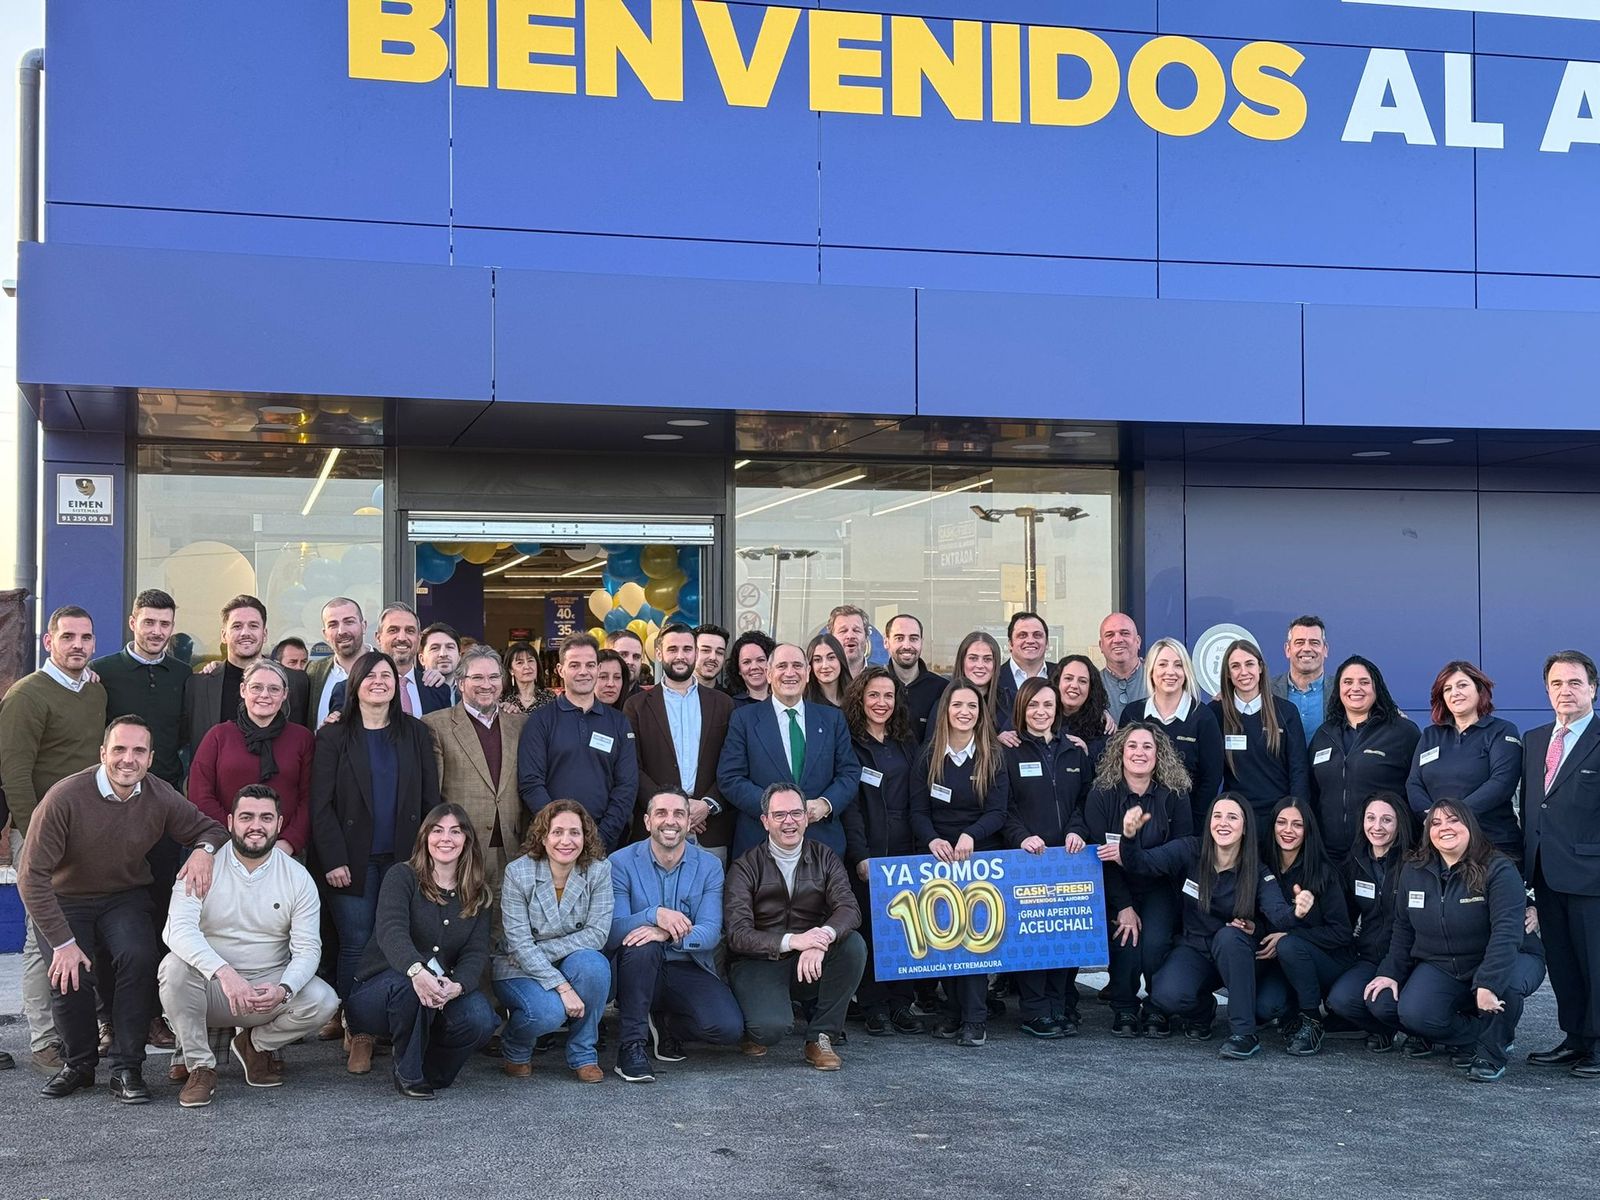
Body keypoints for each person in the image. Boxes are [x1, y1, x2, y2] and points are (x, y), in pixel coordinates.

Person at [19, 715, 226, 1102]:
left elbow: (211, 828)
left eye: (138, 751)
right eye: (119, 749)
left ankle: (127, 1067)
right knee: (69, 973)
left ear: (150, 758)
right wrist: (63, 943)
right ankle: (78, 1065)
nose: (127, 759)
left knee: (138, 956)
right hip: (67, 898)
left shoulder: (159, 793)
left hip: (123, 895)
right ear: (103, 754)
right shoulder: (65, 797)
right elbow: (31, 878)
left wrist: (204, 851)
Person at [157, 784, 339, 1107]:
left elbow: (308, 949)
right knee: (172, 968)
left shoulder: (298, 878)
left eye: (266, 817)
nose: (256, 825)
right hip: (212, 989)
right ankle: (201, 1066)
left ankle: (255, 1045)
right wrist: (224, 974)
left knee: (324, 1000)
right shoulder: (203, 867)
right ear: (229, 822)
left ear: (279, 825)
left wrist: (284, 989)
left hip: (265, 993)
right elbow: (177, 931)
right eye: (247, 817)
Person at [1103, 793, 1300, 1059]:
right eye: (1217, 816)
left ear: (1245, 828)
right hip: (1195, 948)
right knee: (1167, 995)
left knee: (1230, 938)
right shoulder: (1190, 850)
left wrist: (1298, 909)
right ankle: (1202, 1009)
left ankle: (1244, 1034)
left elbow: (1279, 915)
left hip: (1237, 956)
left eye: (1232, 817)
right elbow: (1142, 864)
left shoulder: (1257, 869)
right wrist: (1128, 837)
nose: (1223, 823)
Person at [1365, 800, 1546, 1082]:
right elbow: (1403, 928)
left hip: (1510, 957)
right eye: (1436, 823)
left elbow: (1506, 935)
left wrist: (1488, 983)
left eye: (1453, 820)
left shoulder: (1498, 869)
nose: (1444, 828)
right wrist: (1391, 973)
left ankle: (1492, 1050)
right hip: (1445, 964)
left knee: (1505, 985)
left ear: (1470, 826)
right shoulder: (1415, 869)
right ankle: (1478, 1034)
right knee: (1408, 1011)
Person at [0, 604, 107, 1072]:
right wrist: (33, 832)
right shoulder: (27, 695)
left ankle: (79, 1031)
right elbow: (15, 774)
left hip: (90, 833)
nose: (77, 645)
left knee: (81, 930)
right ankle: (44, 1039)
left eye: (85, 637)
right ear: (49, 642)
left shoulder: (92, 691)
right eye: (68, 637)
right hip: (42, 836)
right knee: (40, 935)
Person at [311, 650, 442, 1015]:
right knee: (356, 941)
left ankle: (390, 1016)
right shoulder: (334, 736)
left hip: (405, 859)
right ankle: (356, 1026)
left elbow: (431, 798)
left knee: (398, 940)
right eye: (370, 676)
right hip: (351, 860)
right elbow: (320, 806)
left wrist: (429, 858)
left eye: (386, 675)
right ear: (355, 685)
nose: (379, 681)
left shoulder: (416, 732)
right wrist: (333, 859)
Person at [345, 803, 498, 1097]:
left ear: (466, 840)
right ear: (425, 836)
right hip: (380, 990)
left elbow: (476, 952)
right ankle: (408, 1073)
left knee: (481, 1018)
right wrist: (417, 971)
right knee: (412, 987)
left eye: (456, 831)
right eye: (437, 830)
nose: (446, 839)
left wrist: (458, 986)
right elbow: (392, 932)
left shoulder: (478, 893)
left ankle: (432, 1070)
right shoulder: (402, 877)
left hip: (441, 989)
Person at [724, 783, 866, 1070]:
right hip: (759, 962)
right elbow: (737, 934)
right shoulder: (745, 866)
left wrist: (821, 937)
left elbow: (849, 909)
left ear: (806, 817)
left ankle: (820, 1037)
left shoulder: (825, 857)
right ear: (765, 821)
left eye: (796, 813)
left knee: (853, 945)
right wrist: (794, 941)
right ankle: (752, 1023)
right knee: (770, 1030)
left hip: (808, 961)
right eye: (779, 815)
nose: (789, 821)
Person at [607, 788, 744, 1082]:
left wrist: (665, 933)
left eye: (679, 814)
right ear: (647, 821)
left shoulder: (709, 866)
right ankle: (631, 1046)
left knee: (728, 1028)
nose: (670, 821)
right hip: (636, 968)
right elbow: (613, 930)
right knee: (641, 945)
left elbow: (709, 933)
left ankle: (665, 1023)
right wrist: (653, 914)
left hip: (686, 964)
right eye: (661, 813)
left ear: (689, 822)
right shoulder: (619, 862)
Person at [910, 682, 1010, 1046]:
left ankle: (975, 1019)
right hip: (938, 856)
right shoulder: (928, 756)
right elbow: (918, 811)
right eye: (957, 705)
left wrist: (971, 835)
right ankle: (953, 1012)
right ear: (945, 711)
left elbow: (999, 811)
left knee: (973, 940)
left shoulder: (993, 756)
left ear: (981, 713)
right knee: (944, 937)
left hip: (980, 856)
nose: (965, 711)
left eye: (972, 705)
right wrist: (932, 839)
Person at [1079, 723, 1192, 1037]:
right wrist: (1124, 905)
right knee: (1126, 941)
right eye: (1132, 746)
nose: (1139, 753)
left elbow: (1183, 846)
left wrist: (1139, 856)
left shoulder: (1175, 793)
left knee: (1155, 944)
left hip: (1161, 884)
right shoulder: (1102, 794)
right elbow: (1101, 857)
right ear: (1120, 752)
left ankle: (1157, 1009)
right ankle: (1125, 1008)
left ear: (1159, 755)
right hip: (1116, 884)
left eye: (1147, 747)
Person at [494, 800, 613, 1082]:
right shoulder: (518, 872)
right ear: (543, 836)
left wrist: (544, 950)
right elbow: (519, 945)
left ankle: (583, 1053)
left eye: (575, 832)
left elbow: (597, 934)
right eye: (557, 832)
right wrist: (562, 986)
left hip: (565, 958)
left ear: (586, 837)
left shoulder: (598, 870)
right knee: (548, 1013)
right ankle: (516, 1045)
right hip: (517, 966)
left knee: (595, 966)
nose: (566, 841)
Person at [1521, 649, 1600, 1078]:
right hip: (1547, 873)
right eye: (1556, 683)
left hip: (1592, 876)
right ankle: (1576, 1038)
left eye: (1574, 683)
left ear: (1592, 688)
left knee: (1596, 963)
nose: (1565, 691)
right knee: (1565, 965)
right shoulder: (1535, 740)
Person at [1002, 678, 1091, 1037]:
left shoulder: (1074, 751)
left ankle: (1058, 1004)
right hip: (1028, 860)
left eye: (1048, 706)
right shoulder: (1009, 751)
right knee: (1034, 938)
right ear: (1022, 709)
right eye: (1033, 705)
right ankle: (1036, 1010)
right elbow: (1002, 807)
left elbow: (1088, 800)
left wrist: (1078, 830)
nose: (1041, 712)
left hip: (1067, 858)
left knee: (1063, 934)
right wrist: (1022, 837)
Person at [717, 642, 861, 860]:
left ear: (808, 673)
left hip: (822, 844)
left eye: (797, 666)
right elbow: (730, 777)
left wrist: (825, 804)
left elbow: (849, 772)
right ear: (768, 673)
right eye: (782, 666)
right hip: (760, 846)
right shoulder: (744, 719)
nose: (790, 673)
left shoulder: (832, 719)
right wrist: (775, 810)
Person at [840, 668, 920, 1036]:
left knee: (906, 926)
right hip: (868, 851)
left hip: (906, 848)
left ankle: (902, 1003)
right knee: (871, 928)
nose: (881, 703)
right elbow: (850, 806)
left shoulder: (906, 740)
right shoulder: (850, 743)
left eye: (888, 696)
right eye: (873, 695)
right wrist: (860, 855)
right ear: (860, 698)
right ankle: (873, 1006)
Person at [518, 633, 639, 852]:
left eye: (590, 665)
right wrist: (560, 833)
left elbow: (626, 786)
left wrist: (599, 838)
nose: (583, 672)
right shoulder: (540, 721)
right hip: (553, 846)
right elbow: (531, 783)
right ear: (560, 670)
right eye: (574, 665)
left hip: (606, 845)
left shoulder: (619, 723)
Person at [624, 624, 735, 858]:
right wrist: (672, 811)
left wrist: (707, 805)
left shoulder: (723, 704)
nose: (680, 656)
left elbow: (732, 763)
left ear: (695, 653)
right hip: (655, 828)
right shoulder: (636, 706)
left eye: (687, 649)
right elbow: (633, 767)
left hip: (710, 828)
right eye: (672, 649)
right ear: (659, 653)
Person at [1253, 797, 1353, 1056]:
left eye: (1297, 825)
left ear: (1308, 830)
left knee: (1289, 945)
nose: (1288, 830)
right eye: (1282, 822)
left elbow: (1342, 932)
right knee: (1265, 1008)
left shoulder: (1322, 872)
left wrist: (1290, 935)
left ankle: (1312, 1020)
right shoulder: (1261, 866)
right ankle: (1291, 1012)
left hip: (1326, 961)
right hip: (1282, 962)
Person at [188, 659, 315, 858]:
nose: (264, 695)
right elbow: (200, 795)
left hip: (283, 853)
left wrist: (290, 842)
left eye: (274, 689)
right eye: (256, 687)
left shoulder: (302, 739)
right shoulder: (219, 736)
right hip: (226, 848)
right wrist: (234, 839)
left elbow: (310, 798)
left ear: (284, 695)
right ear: (243, 690)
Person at [423, 645, 527, 889]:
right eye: (477, 677)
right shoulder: (436, 725)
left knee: (506, 925)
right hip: (461, 849)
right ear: (460, 683)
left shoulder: (521, 724)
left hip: (512, 848)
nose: (486, 684)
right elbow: (432, 797)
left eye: (493, 677)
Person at [1406, 661, 1523, 860]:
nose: (1455, 693)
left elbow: (1501, 783)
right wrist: (1435, 819)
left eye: (1462, 685)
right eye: (1448, 689)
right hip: (1442, 845)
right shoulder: (1431, 735)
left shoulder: (1501, 731)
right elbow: (1414, 783)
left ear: (1479, 690)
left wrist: (1452, 817)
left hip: (1491, 845)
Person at [1308, 656, 1420, 864]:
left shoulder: (1402, 732)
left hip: (1384, 854)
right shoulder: (1324, 734)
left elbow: (1419, 786)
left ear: (1377, 687)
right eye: (1347, 682)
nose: (1355, 688)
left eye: (1364, 682)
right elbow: (1312, 791)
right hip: (1330, 855)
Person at [1326, 792, 1415, 1052]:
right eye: (1371, 818)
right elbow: (1344, 915)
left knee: (1388, 1004)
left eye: (1387, 820)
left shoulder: (1414, 864)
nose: (1377, 827)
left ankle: (1422, 1033)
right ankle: (1383, 1029)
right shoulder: (1354, 861)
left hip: (1410, 957)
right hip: (1370, 955)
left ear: (1400, 824)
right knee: (1340, 1000)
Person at [1211, 638, 1309, 843]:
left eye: (1249, 664)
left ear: (1261, 668)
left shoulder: (1286, 712)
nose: (1243, 672)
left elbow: (1299, 769)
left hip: (1278, 821)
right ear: (1228, 674)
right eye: (1235, 666)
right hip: (1237, 823)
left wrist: (1295, 815)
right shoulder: (1215, 713)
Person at [185, 595, 310, 752]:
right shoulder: (198, 685)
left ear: (264, 634)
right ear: (224, 635)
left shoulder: (297, 682)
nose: (245, 633)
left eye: (253, 626)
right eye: (237, 626)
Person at [90, 588, 188, 789]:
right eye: (149, 622)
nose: (157, 632)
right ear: (133, 623)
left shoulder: (183, 674)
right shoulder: (101, 671)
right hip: (115, 789)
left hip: (168, 791)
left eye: (164, 624)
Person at [1121, 637, 1223, 827]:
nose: (1170, 672)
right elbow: (1120, 769)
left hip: (1188, 825)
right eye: (1162, 664)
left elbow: (1211, 778)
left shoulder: (1203, 717)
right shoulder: (1133, 714)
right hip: (1139, 823)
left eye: (1178, 665)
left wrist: (1194, 823)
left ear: (1186, 672)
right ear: (1151, 671)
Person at [330, 603, 451, 717]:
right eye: (393, 630)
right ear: (378, 638)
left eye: (410, 631)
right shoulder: (347, 690)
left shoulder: (438, 690)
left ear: (419, 638)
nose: (402, 638)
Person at [307, 596, 369, 727]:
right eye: (333, 625)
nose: (342, 631)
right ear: (325, 634)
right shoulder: (313, 673)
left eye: (349, 622)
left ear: (364, 626)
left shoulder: (388, 668)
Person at [883, 614, 947, 741]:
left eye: (913, 638)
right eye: (899, 638)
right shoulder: (873, 687)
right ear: (886, 642)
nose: (906, 645)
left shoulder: (942, 689)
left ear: (921, 643)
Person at [1272, 616, 1329, 746]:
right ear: (1288, 649)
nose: (1307, 648)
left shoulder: (1342, 691)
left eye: (1314, 642)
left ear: (1325, 649)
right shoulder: (1266, 690)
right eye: (1300, 642)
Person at [1057, 653, 1115, 764]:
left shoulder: (1103, 731)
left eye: (1082, 681)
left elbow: (1107, 776)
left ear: (1091, 689)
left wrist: (1086, 756)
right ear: (1057, 682)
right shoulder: (1043, 721)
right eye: (1068, 678)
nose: (1074, 685)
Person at [996, 611, 1051, 720]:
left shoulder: (1062, 676)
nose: (1030, 640)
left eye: (1037, 635)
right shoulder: (994, 679)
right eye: (1022, 635)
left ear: (1047, 643)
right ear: (1010, 644)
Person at [1098, 613, 1146, 722]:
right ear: (1101, 645)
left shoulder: (1157, 679)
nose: (1118, 640)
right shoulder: (1091, 685)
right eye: (1109, 635)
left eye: (1124, 633)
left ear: (1138, 641)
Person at [951, 630, 1004, 730]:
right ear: (962, 662)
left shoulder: (1009, 703)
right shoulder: (944, 701)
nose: (980, 665)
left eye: (987, 659)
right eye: (973, 658)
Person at [500, 640, 556, 715]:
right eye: (520, 662)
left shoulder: (550, 698)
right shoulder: (503, 698)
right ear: (511, 670)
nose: (527, 666)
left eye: (530, 661)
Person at [805, 631, 853, 708]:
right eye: (817, 660)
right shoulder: (803, 703)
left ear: (841, 660)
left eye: (831, 658)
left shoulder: (856, 698)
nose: (825, 666)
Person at [729, 631, 775, 706]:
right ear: (739, 669)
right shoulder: (730, 705)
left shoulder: (783, 701)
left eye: (760, 660)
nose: (754, 667)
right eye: (746, 662)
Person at [419, 623, 461, 703]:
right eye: (435, 648)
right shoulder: (413, 691)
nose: (443, 654)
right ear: (422, 659)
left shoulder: (469, 690)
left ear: (459, 657)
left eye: (450, 647)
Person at [827, 604, 871, 678]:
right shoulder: (819, 678)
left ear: (866, 637)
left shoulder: (882, 677)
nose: (850, 636)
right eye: (843, 631)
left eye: (856, 630)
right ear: (831, 638)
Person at [606, 630, 646, 702]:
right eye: (623, 654)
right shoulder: (589, 700)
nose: (630, 662)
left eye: (636, 656)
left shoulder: (651, 703)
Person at [693, 623, 730, 690]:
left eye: (719, 652)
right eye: (706, 650)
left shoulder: (728, 699)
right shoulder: (671, 696)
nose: (713, 657)